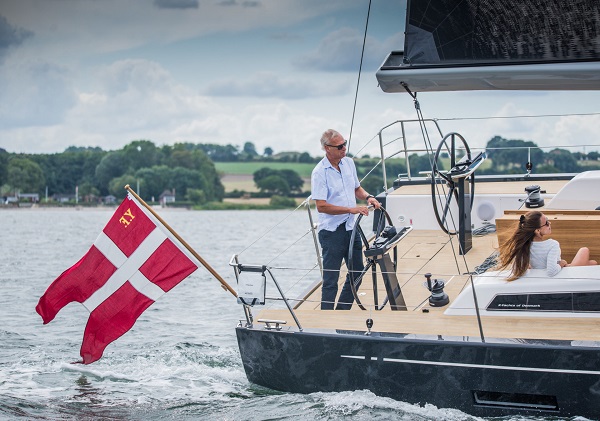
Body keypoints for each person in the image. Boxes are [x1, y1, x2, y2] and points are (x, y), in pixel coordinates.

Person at [311, 129, 381, 309]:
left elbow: (357, 188)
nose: (344, 148)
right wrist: (351, 209)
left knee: (357, 272)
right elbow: (321, 206)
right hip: (331, 232)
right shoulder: (319, 172)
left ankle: (342, 310)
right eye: (340, 146)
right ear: (327, 148)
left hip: (351, 228)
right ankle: (326, 317)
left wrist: (368, 197)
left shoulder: (349, 163)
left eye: (345, 144)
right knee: (331, 280)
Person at [498, 210, 597, 281]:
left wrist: (530, 266)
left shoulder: (524, 245)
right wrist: (561, 263)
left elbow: (516, 269)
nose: (550, 223)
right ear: (537, 231)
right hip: (561, 277)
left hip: (545, 275)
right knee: (584, 250)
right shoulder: (552, 245)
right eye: (546, 223)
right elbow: (551, 271)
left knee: (593, 263)